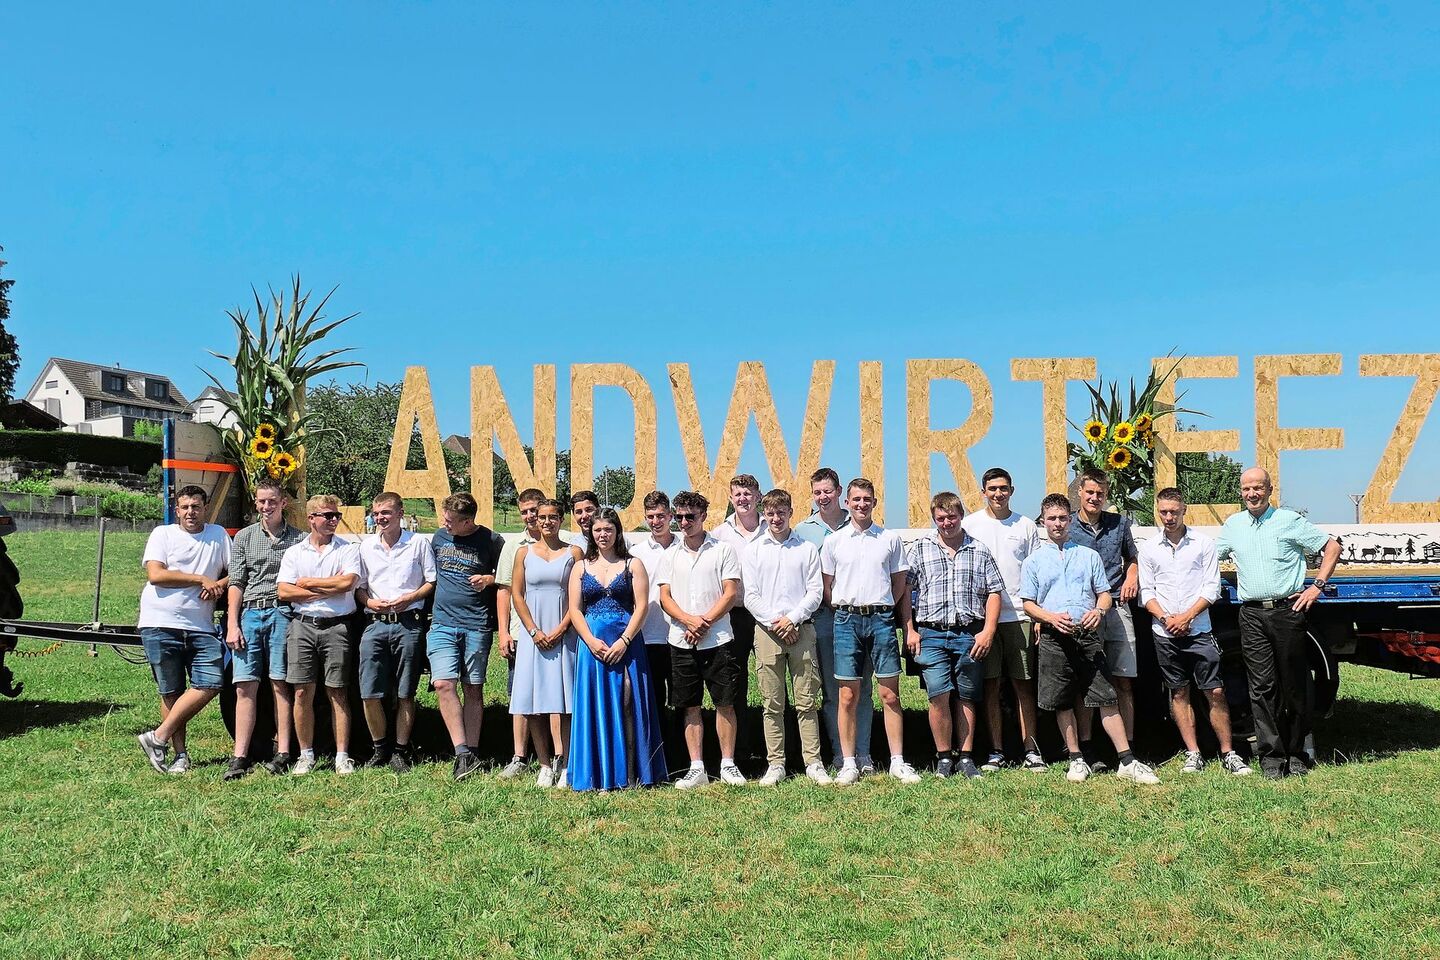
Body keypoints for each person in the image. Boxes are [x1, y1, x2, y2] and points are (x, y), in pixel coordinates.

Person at [1021, 493, 1159, 784]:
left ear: (1070, 520)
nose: (1057, 524)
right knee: (1063, 700)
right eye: (1051, 519)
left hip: (1087, 635)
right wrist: (1049, 618)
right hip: (1054, 635)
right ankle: (1076, 759)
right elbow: (1029, 604)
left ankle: (1127, 760)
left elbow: (1105, 594)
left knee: (1105, 696)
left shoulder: (1088, 556)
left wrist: (1099, 611)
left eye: (1062, 518)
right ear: (1043, 522)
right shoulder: (1034, 561)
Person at [1216, 467, 1341, 779]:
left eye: (1258, 488)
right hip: (1251, 614)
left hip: (1287, 612)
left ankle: (1297, 754)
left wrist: (1317, 586)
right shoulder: (1233, 525)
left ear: (1270, 490)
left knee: (1294, 685)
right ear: (1241, 492)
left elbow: (1332, 546)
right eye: (1247, 489)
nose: (1252, 494)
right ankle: (1271, 759)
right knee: (1261, 688)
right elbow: (1205, 557)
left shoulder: (1288, 521)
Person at [1139, 488, 1251, 776]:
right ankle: (1193, 753)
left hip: (1199, 629)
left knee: (1215, 691)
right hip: (1165, 631)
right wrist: (1166, 618)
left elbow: (1212, 587)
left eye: (1174, 512)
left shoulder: (1203, 544)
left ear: (1184, 510)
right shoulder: (1149, 549)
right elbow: (1146, 591)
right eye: (1163, 512)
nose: (1169, 517)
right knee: (1179, 692)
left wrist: (1187, 617)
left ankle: (1228, 753)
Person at [820, 477, 920, 786]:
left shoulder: (889, 539)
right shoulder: (834, 541)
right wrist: (847, 608)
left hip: (881, 620)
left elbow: (899, 583)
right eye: (856, 499)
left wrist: (882, 606)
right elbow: (827, 586)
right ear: (847, 503)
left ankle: (897, 762)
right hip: (846, 620)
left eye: (867, 499)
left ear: (874, 503)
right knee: (847, 695)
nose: (861, 504)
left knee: (889, 694)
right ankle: (848, 762)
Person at [905, 492, 1005, 780]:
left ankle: (966, 757)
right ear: (934, 519)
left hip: (968, 633)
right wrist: (909, 629)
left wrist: (988, 631)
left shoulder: (979, 550)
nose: (947, 523)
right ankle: (944, 757)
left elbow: (994, 592)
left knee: (967, 695)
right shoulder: (920, 549)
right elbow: (905, 592)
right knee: (938, 694)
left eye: (952, 517)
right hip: (931, 633)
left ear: (961, 516)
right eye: (941, 518)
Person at [568, 507, 669, 790]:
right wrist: (590, 641)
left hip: (627, 643)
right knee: (596, 706)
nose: (603, 535)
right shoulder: (580, 567)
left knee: (628, 703)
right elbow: (575, 610)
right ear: (591, 533)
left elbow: (641, 607)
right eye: (598, 530)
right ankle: (600, 774)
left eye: (608, 529)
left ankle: (633, 773)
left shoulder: (632, 565)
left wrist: (625, 640)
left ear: (617, 532)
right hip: (593, 646)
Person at [136, 485, 231, 775]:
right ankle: (179, 756)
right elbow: (156, 575)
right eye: (185, 507)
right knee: (171, 691)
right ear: (176, 510)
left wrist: (219, 584)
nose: (191, 512)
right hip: (160, 621)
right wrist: (200, 579)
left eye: (196, 507)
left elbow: (236, 572)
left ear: (205, 509)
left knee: (211, 682)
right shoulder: (162, 534)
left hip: (201, 625)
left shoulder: (218, 535)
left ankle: (158, 737)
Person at [960, 467, 1046, 773]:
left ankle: (1031, 749)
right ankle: (995, 751)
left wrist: (1037, 615)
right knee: (991, 685)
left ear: (1012, 491)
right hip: (983, 619)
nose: (998, 494)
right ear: (983, 492)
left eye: (1004, 488)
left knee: (1024, 685)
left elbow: (1036, 571)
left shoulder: (1025, 526)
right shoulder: (970, 524)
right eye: (993, 489)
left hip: (1020, 616)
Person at [657, 490, 744, 788]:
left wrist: (703, 621)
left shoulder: (723, 550)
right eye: (679, 517)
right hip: (681, 640)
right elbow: (665, 597)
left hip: (717, 638)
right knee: (690, 705)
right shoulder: (670, 555)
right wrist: (688, 621)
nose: (684, 522)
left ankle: (728, 764)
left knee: (725, 703)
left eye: (690, 517)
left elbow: (730, 593)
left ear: (703, 516)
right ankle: (697, 768)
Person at [743, 489, 829, 785]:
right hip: (767, 632)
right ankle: (776, 763)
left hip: (801, 629)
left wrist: (792, 619)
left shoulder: (806, 548)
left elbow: (815, 591)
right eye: (770, 513)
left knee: (807, 701)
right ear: (764, 515)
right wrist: (776, 623)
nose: (776, 518)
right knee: (772, 703)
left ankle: (813, 762)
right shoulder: (754, 550)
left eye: (781, 513)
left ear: (791, 512)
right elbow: (750, 595)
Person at [794, 467, 875, 773]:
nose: (823, 497)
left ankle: (864, 753)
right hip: (825, 620)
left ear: (840, 492)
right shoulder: (803, 530)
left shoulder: (858, 522)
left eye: (828, 491)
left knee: (862, 688)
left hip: (859, 618)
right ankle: (841, 754)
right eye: (817, 492)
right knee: (833, 690)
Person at [222, 479, 304, 780]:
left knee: (280, 682)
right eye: (261, 501)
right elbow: (236, 583)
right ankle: (240, 755)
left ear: (283, 503)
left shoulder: (299, 539)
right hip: (251, 613)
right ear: (256, 503)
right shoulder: (244, 537)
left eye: (272, 501)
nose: (266, 506)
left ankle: (283, 751)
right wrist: (233, 623)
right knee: (244, 685)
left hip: (282, 612)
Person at [276, 495, 363, 775]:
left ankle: (342, 756)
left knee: (338, 691)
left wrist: (307, 583)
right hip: (302, 625)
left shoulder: (347, 549)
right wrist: (327, 588)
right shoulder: (295, 553)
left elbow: (348, 583)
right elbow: (284, 591)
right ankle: (306, 754)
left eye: (336, 515)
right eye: (327, 515)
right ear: (311, 518)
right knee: (302, 691)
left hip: (337, 626)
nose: (334, 520)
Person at [356, 490, 436, 773]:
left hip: (408, 622)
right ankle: (380, 748)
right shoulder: (366, 547)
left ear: (400, 513)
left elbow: (431, 581)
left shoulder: (417, 543)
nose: (380, 518)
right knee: (369, 692)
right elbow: (360, 587)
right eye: (376, 513)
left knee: (406, 691)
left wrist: (410, 597)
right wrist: (369, 602)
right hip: (375, 623)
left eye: (386, 513)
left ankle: (400, 750)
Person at [428, 491, 505, 780]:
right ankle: (461, 752)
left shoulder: (491, 540)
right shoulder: (439, 538)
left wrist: (489, 578)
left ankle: (472, 750)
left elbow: (508, 575)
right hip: (443, 623)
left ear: (468, 521)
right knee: (443, 683)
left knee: (473, 687)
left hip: (476, 624)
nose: (444, 523)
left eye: (450, 521)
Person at [1067, 468, 1141, 760]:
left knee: (1123, 680)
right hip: (1086, 611)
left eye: (1100, 493)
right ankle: (1087, 747)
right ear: (1080, 493)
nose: (1094, 498)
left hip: (1118, 606)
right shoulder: (1068, 525)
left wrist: (1132, 576)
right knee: (1087, 680)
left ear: (1106, 495)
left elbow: (1132, 557)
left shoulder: (1119, 523)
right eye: (1089, 492)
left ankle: (1128, 747)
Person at [508, 497, 583, 787]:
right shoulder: (523, 554)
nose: (547, 522)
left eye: (553, 517)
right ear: (536, 520)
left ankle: (565, 761)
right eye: (542, 517)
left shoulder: (573, 553)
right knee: (533, 702)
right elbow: (517, 594)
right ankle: (543, 764)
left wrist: (562, 628)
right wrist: (533, 631)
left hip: (565, 635)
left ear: (561, 519)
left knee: (563, 702)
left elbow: (578, 596)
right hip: (534, 637)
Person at [711, 474, 765, 762]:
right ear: (731, 498)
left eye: (748, 493)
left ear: (758, 496)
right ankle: (741, 751)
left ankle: (776, 751)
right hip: (734, 615)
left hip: (767, 615)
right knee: (735, 682)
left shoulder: (772, 528)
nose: (743, 499)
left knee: (772, 682)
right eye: (738, 494)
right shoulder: (719, 534)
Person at [494, 487, 547, 778]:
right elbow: (504, 591)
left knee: (555, 694)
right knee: (520, 695)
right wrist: (503, 632)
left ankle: (557, 756)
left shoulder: (563, 542)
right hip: (520, 632)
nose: (529, 516)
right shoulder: (513, 545)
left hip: (554, 631)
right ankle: (519, 756)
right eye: (524, 511)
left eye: (534, 510)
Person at [632, 489, 681, 769]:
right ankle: (655, 759)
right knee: (653, 702)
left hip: (679, 635)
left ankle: (681, 757)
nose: (655, 521)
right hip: (648, 636)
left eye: (661, 515)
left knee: (682, 701)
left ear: (670, 516)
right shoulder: (636, 552)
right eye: (650, 516)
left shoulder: (684, 546)